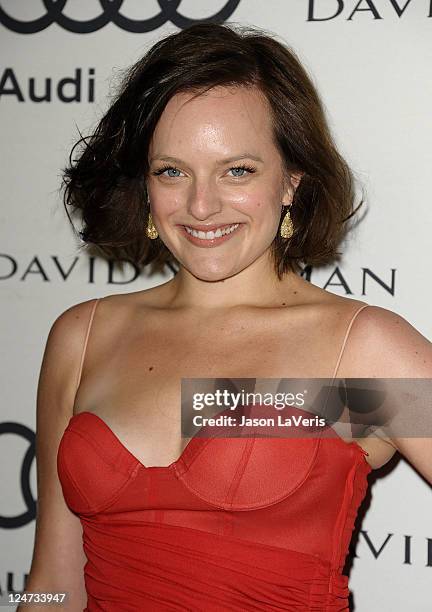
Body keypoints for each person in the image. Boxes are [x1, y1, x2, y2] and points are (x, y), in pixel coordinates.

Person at [21, 22, 432, 612]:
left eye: (237, 170)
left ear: (291, 180)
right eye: (172, 171)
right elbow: (52, 585)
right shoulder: (84, 337)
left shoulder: (357, 351)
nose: (201, 205)